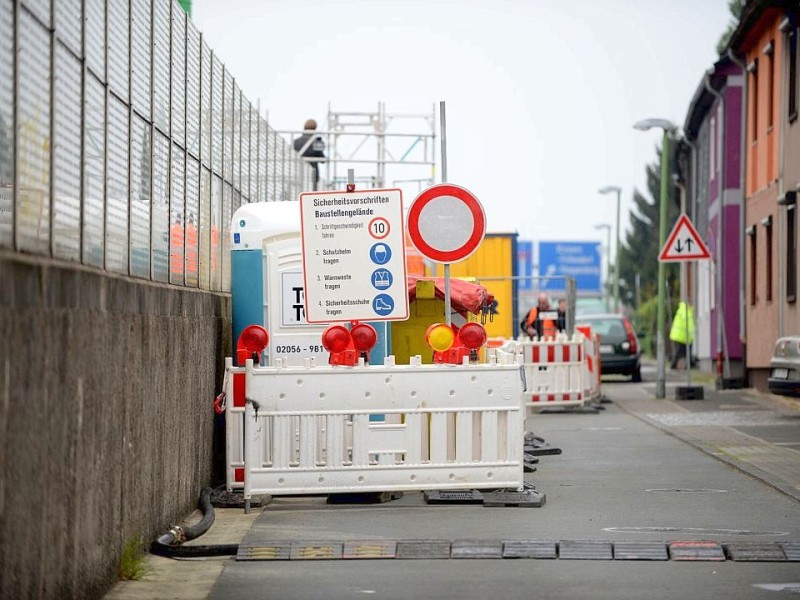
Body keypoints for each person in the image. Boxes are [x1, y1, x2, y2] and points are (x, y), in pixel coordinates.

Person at [293, 118, 326, 190]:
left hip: (298, 173)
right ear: (315, 128)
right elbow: (323, 160)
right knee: (311, 198)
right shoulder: (316, 141)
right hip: (312, 176)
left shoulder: (295, 142)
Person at [669, 301, 695, 369]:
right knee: (681, 352)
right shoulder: (685, 310)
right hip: (680, 336)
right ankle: (674, 365)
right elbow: (688, 324)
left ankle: (688, 364)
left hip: (680, 336)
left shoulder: (684, 310)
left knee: (683, 351)